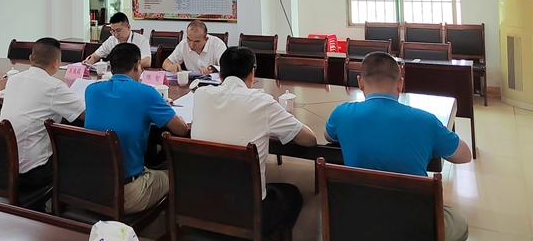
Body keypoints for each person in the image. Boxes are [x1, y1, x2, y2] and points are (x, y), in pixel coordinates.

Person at [325, 51, 471, 241]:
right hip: (414, 225)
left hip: (359, 218)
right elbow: (464, 155)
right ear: (400, 84)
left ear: (360, 82)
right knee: (459, 222)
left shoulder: (341, 113)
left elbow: (328, 135)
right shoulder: (426, 121)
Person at [192, 46, 317, 237]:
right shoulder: (262, 102)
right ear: (252, 73)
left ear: (220, 75)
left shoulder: (200, 95)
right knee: (292, 193)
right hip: (248, 210)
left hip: (201, 204)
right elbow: (309, 140)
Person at [84, 43, 188, 214]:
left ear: (111, 67)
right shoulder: (146, 93)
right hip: (126, 193)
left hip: (89, 187)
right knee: (179, 177)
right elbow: (181, 130)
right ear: (137, 65)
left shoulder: (91, 90)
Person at [0, 37, 85, 210]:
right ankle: (66, 209)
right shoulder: (54, 86)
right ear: (56, 63)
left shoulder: (13, 79)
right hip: (32, 172)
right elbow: (84, 114)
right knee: (77, 153)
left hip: (4, 162)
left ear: (31, 59)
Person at [83, 12, 151, 68]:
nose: (115, 34)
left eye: (118, 30)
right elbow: (95, 56)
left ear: (128, 27)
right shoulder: (111, 40)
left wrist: (126, 66)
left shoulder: (141, 40)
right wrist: (88, 61)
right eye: (113, 31)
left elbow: (147, 62)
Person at [162, 20, 227, 75]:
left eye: (196, 41)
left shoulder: (218, 45)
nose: (191, 44)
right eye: (189, 39)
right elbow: (166, 63)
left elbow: (227, 67)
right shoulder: (184, 44)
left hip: (214, 84)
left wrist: (213, 69)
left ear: (206, 39)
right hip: (191, 82)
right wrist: (172, 67)